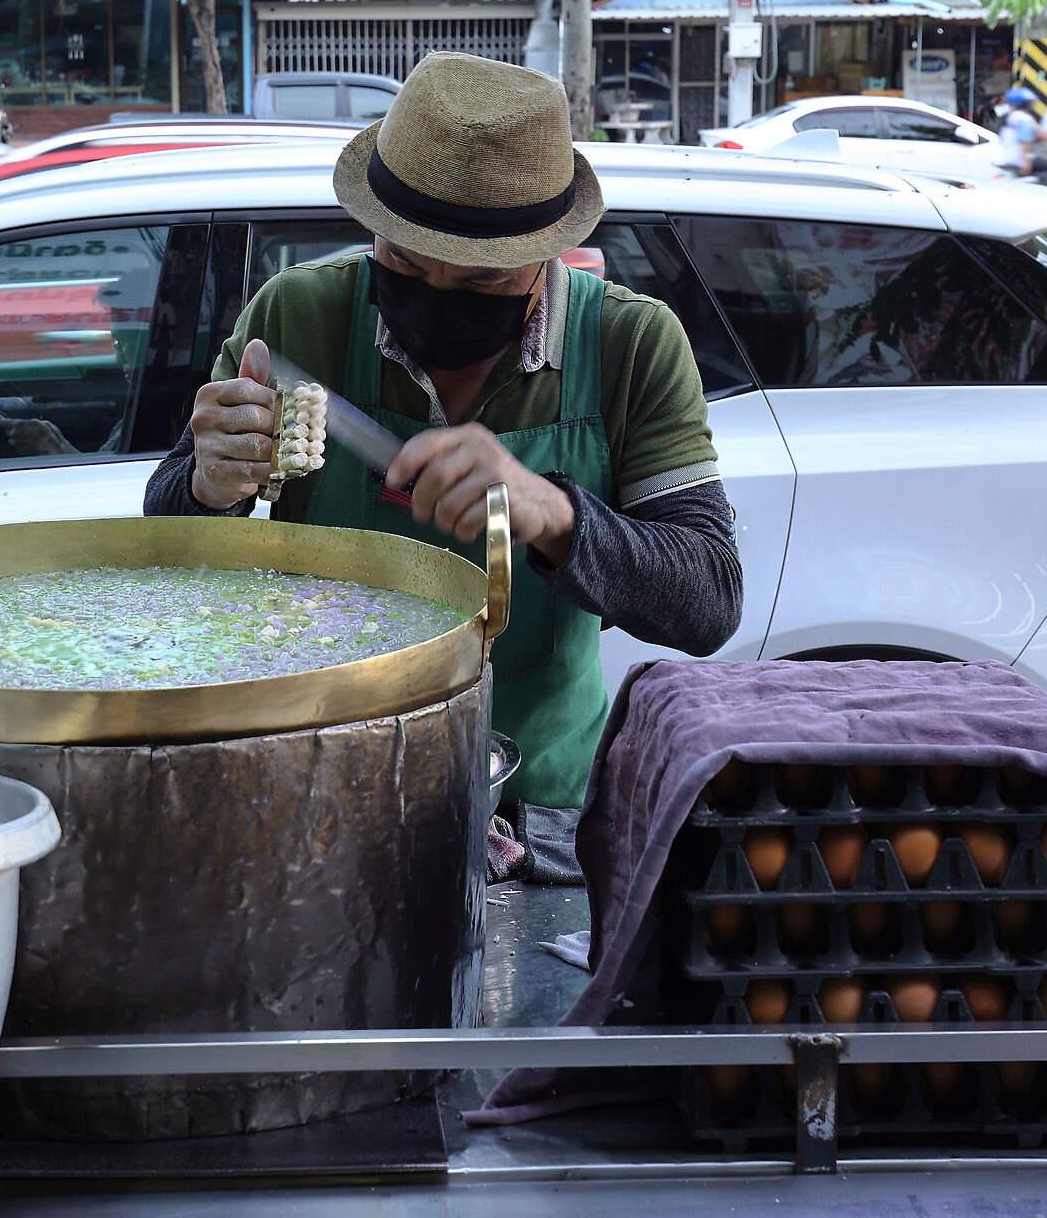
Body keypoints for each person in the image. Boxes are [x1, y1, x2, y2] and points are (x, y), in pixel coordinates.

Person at [145, 51, 742, 815]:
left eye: (480, 279)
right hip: (317, 777)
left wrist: (553, 514)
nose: (434, 296)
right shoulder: (297, 317)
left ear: (546, 252)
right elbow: (169, 539)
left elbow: (709, 599)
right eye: (405, 262)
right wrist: (208, 485)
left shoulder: (630, 346)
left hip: (534, 805)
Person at [995, 86, 1041, 176]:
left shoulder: (1012, 117)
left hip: (1006, 159)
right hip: (1017, 162)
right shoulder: (1023, 119)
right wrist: (1026, 165)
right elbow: (1025, 143)